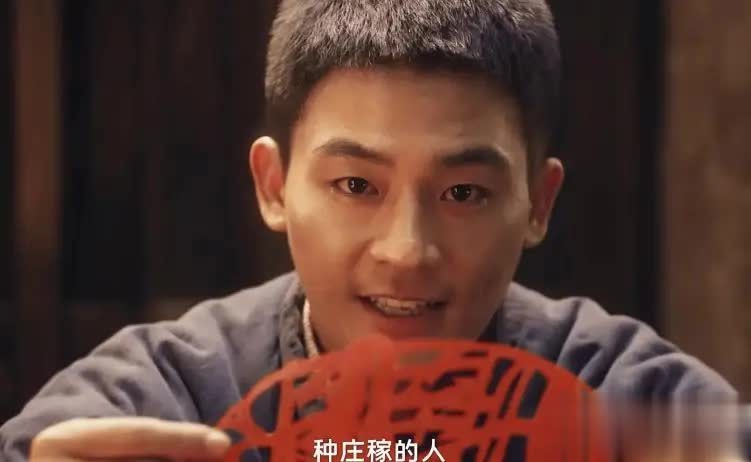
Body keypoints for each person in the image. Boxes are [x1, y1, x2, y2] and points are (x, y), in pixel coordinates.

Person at [1, 0, 741, 460]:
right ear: (273, 185)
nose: (407, 251)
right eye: (356, 186)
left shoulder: (625, 399)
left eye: (463, 192)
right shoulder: (168, 397)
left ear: (538, 203)